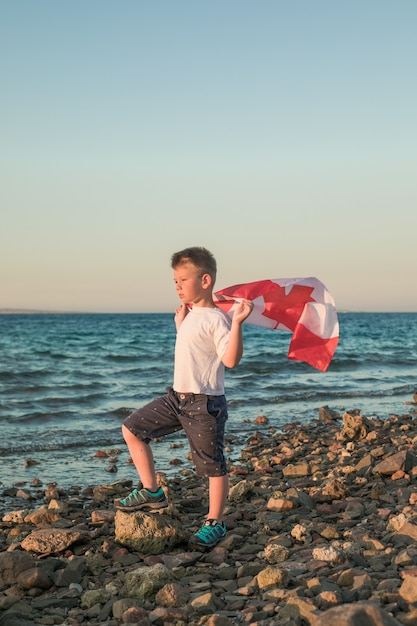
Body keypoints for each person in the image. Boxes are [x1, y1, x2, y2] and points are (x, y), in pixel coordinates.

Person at [115, 246, 253, 550]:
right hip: (176, 398)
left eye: (183, 280)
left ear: (205, 281)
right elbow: (193, 350)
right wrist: (180, 326)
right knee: (131, 429)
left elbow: (230, 360)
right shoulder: (191, 315)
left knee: (212, 466)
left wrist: (239, 323)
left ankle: (214, 522)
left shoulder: (219, 319)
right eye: (174, 281)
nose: (177, 286)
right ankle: (152, 491)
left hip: (205, 405)